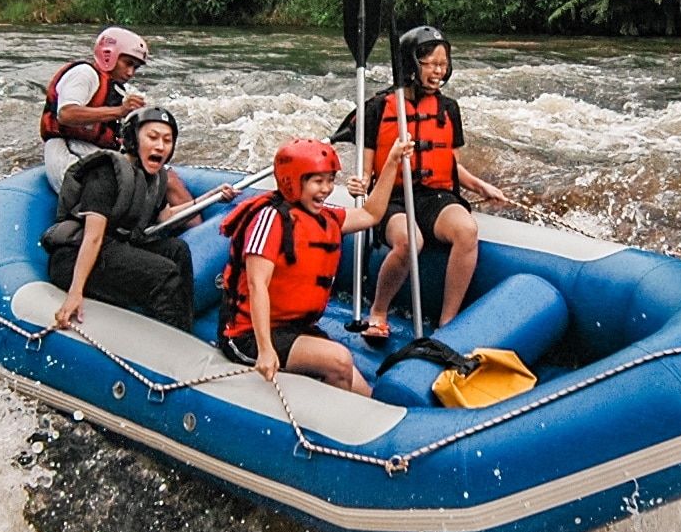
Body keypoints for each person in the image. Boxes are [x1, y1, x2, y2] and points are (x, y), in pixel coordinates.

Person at [335, 25, 512, 341]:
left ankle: (447, 322)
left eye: (443, 65)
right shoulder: (379, 107)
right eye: (431, 64)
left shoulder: (448, 108)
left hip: (435, 195)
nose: (439, 72)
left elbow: (451, 164)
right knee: (410, 241)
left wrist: (481, 186)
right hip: (391, 197)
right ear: (411, 65)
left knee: (467, 230)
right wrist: (358, 184)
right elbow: (364, 170)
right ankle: (379, 311)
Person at [219, 137, 405, 393]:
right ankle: (334, 428)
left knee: (365, 392)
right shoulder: (270, 219)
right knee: (339, 361)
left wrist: (392, 162)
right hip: (248, 334)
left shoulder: (325, 217)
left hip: (295, 328)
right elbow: (256, 284)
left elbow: (370, 215)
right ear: (293, 182)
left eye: (330, 180)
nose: (327, 189)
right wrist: (265, 350)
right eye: (318, 181)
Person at [42, 106, 199, 331]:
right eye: (152, 137)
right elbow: (93, 237)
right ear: (133, 139)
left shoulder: (152, 178)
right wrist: (75, 293)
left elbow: (167, 216)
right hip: (74, 258)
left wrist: (213, 197)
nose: (160, 146)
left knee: (177, 250)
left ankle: (184, 329)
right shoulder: (106, 172)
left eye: (167, 140)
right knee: (165, 274)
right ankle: (172, 347)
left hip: (115, 250)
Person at [40, 26, 151, 177]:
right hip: (65, 147)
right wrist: (119, 111)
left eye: (136, 67)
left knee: (167, 178)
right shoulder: (84, 74)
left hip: (91, 149)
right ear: (109, 55)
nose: (131, 73)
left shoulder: (116, 89)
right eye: (128, 63)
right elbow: (66, 114)